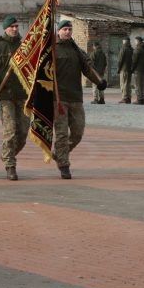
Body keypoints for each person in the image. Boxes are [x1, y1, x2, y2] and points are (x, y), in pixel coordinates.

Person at [52, 20, 106, 179]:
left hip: (75, 97)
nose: (68, 32)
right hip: (58, 99)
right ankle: (64, 164)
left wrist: (99, 82)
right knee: (61, 134)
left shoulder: (77, 51)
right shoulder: (52, 50)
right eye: (65, 29)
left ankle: (60, 153)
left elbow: (88, 69)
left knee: (78, 132)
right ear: (59, 31)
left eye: (70, 29)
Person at [0, 15, 29, 180]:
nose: (15, 29)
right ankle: (10, 165)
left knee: (22, 133)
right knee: (10, 131)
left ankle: (7, 154)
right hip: (5, 96)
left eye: (17, 26)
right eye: (12, 27)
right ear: (5, 28)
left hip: (23, 96)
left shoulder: (25, 48)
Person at [117, 37, 132, 103]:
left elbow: (120, 60)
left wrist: (118, 68)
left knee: (123, 84)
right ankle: (128, 97)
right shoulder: (131, 49)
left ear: (124, 41)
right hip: (129, 69)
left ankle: (124, 98)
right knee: (128, 84)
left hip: (124, 69)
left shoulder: (123, 48)